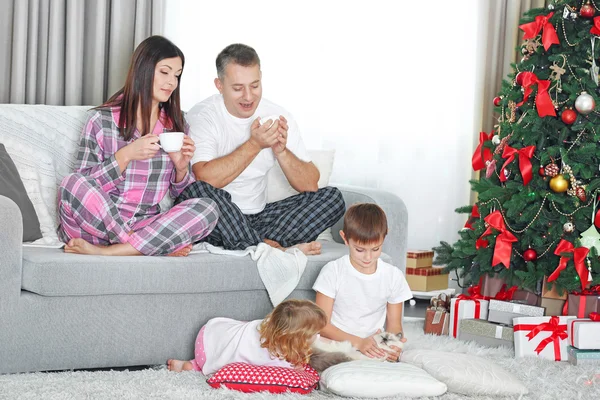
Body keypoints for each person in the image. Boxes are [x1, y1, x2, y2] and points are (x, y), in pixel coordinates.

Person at [175, 43, 345, 255]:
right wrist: (255, 145)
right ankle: (269, 248)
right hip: (218, 217)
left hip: (261, 217)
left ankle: (260, 244)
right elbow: (204, 179)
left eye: (254, 86)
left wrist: (281, 151)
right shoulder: (203, 117)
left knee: (332, 198)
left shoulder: (277, 115)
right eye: (238, 88)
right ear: (219, 85)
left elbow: (310, 184)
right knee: (196, 192)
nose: (248, 97)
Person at [56, 36, 219, 256]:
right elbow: (84, 185)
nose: (172, 82)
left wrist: (181, 168)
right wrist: (125, 156)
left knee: (208, 208)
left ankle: (111, 252)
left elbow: (181, 193)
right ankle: (139, 246)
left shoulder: (177, 125)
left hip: (144, 224)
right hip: (93, 227)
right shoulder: (102, 120)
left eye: (177, 75)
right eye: (165, 72)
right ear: (143, 68)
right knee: (71, 183)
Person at [312, 203, 413, 361]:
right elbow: (321, 325)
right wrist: (359, 343)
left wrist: (393, 343)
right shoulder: (333, 271)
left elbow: (394, 325)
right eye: (360, 250)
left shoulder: (393, 276)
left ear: (384, 237)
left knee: (384, 356)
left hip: (373, 342)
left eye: (375, 249)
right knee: (309, 346)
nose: (368, 258)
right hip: (337, 341)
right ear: (345, 238)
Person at [167, 299, 327, 375]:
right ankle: (194, 365)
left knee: (244, 328)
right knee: (238, 354)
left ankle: (189, 365)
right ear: (293, 339)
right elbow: (290, 370)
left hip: (210, 333)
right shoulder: (274, 359)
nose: (317, 336)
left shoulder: (269, 324)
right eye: (313, 334)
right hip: (210, 351)